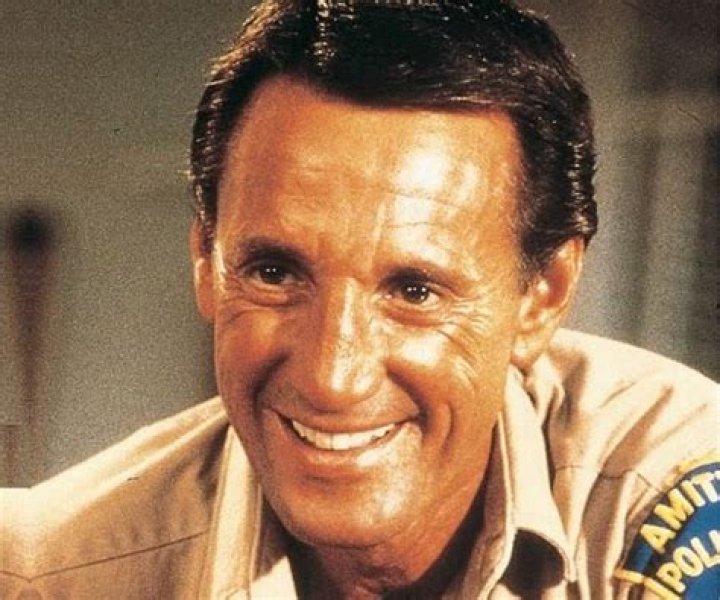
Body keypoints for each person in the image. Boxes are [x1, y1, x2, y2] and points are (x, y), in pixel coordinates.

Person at [5, 0, 718, 598]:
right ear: (206, 262)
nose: (331, 378)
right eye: (275, 274)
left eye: (414, 291)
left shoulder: (665, 494)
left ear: (542, 295)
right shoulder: (47, 573)